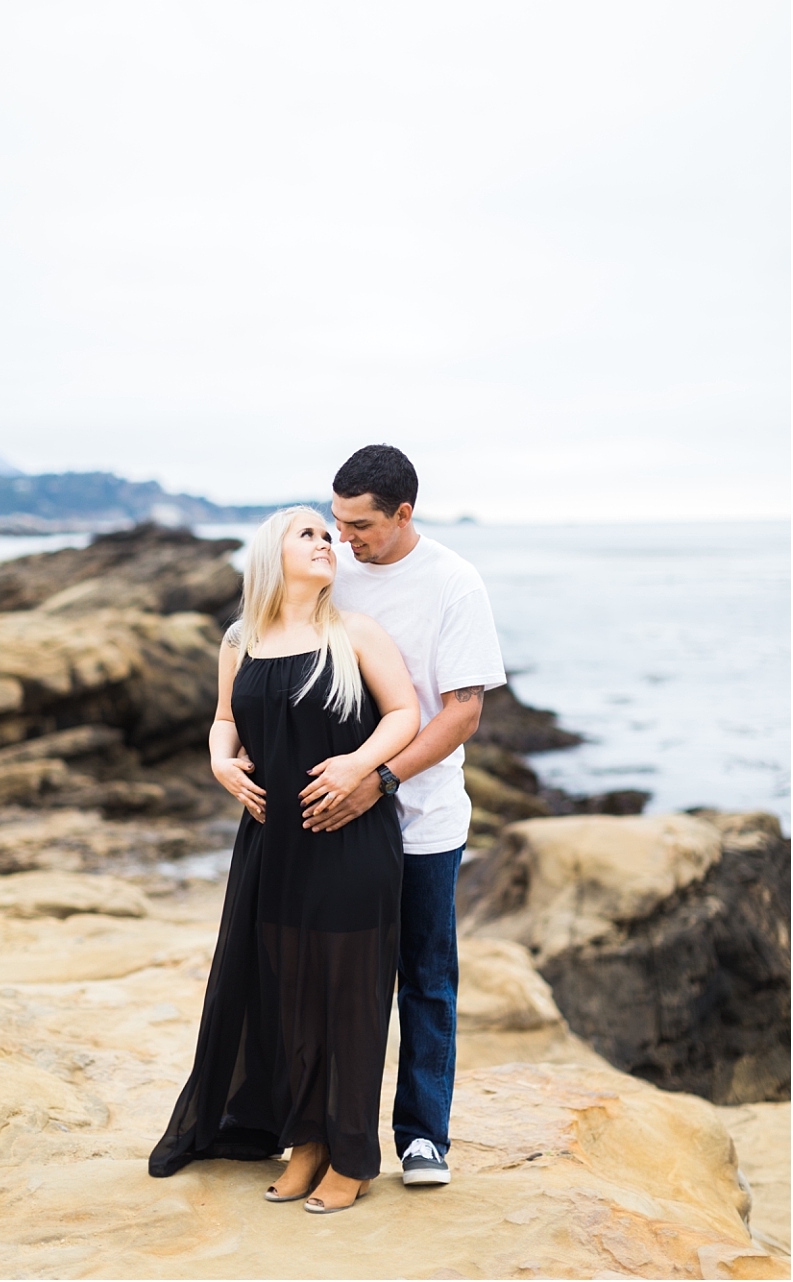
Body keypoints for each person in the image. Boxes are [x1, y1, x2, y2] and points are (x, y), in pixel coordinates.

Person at [148, 505, 420, 1214]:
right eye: (310, 533)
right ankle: (306, 1144)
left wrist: (358, 767)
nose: (327, 543)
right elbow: (224, 721)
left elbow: (404, 715)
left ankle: (352, 1156)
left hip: (350, 840)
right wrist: (220, 764)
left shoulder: (353, 632)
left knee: (350, 999)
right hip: (272, 846)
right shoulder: (241, 640)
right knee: (291, 996)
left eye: (331, 536)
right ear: (272, 551)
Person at [302, 445, 506, 1188]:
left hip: (421, 819)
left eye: (359, 525)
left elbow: (463, 712)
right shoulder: (333, 571)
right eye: (335, 521)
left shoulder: (453, 582)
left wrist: (379, 779)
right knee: (335, 980)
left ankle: (424, 1138)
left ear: (403, 514)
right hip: (336, 818)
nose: (343, 538)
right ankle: (323, 1134)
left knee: (424, 978)